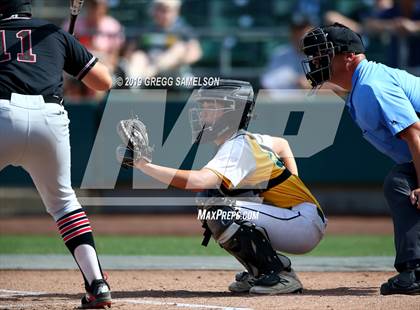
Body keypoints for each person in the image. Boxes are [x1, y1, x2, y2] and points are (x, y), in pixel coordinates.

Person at [116, 80, 327, 294]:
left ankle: (279, 274)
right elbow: (283, 144)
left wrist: (144, 165)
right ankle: (260, 271)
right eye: (203, 106)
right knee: (214, 198)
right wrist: (293, 181)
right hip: (297, 218)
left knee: (216, 206)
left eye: (211, 106)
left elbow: (197, 181)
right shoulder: (245, 139)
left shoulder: (238, 146)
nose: (202, 113)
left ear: (232, 112)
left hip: (301, 223)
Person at [0, 1, 112, 308]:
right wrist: (67, 57)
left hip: (1, 113)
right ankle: (98, 284)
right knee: (64, 204)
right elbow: (103, 82)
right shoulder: (54, 33)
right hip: (49, 116)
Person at [301, 22, 420, 295]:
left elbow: (415, 135)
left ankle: (414, 272)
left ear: (348, 57)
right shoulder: (362, 85)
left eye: (322, 54)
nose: (315, 61)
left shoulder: (371, 85)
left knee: (401, 184)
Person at [125, 0, 202, 83]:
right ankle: (134, 90)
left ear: (176, 11)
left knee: (179, 48)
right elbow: (130, 52)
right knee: (138, 57)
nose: (162, 13)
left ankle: (152, 72)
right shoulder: (145, 29)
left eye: (167, 10)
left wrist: (174, 59)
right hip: (147, 67)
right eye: (159, 9)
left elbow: (196, 54)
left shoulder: (184, 30)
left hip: (174, 71)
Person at [260, 16, 314, 90]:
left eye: (303, 31)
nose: (299, 35)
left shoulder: (323, 53)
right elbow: (267, 83)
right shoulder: (280, 54)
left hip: (319, 100)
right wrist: (294, 80)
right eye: (296, 31)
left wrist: (312, 83)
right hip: (286, 100)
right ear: (291, 34)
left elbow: (333, 84)